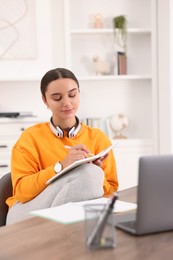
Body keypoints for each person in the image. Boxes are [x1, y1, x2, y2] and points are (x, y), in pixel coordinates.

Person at [6, 68, 118, 224]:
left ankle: (58, 236)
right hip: (25, 210)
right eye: (57, 98)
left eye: (72, 95)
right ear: (45, 101)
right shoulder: (30, 137)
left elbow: (111, 190)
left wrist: (93, 171)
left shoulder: (98, 138)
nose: (67, 103)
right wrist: (62, 166)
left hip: (72, 211)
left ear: (79, 94)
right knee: (89, 174)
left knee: (90, 173)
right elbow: (22, 192)